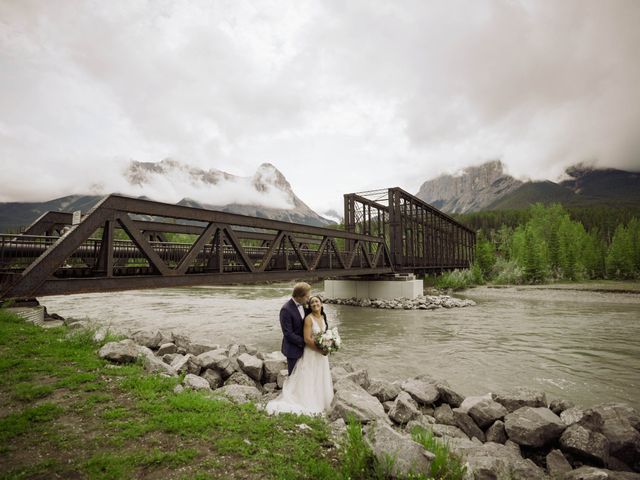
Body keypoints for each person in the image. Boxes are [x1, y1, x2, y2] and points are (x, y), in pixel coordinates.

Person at [267, 295, 334, 415]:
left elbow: (325, 333)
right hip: (312, 352)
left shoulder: (323, 316)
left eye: (317, 301)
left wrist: (329, 344)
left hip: (321, 354)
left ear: (322, 304)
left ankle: (322, 401)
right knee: (310, 376)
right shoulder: (309, 319)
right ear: (310, 305)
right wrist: (321, 350)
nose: (314, 304)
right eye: (312, 302)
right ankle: (310, 401)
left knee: (320, 376)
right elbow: (307, 340)